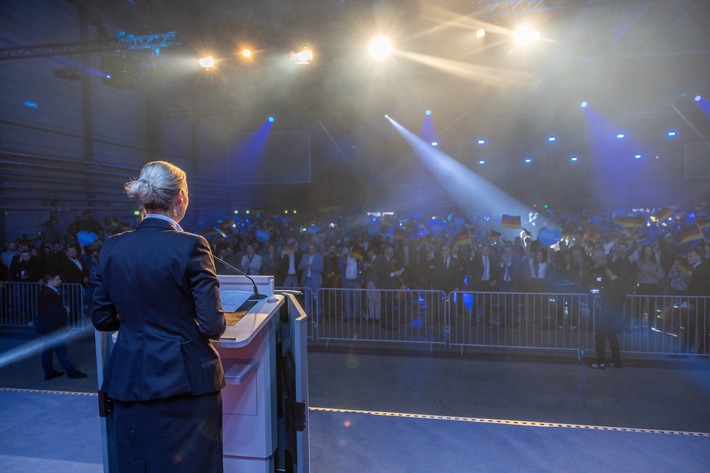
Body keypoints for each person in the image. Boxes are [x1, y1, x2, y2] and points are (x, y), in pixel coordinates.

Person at [91, 161, 226, 473]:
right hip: (185, 383)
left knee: (138, 465)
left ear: (142, 199)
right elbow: (212, 325)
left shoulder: (112, 247)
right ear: (180, 198)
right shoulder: (192, 245)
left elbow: (102, 318)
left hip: (129, 379)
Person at [36, 272, 87, 380]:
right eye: (58, 279)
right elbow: (52, 309)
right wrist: (65, 310)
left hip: (47, 327)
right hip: (52, 327)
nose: (60, 281)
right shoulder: (49, 293)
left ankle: (49, 372)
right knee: (60, 350)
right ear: (50, 281)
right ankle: (70, 371)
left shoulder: (46, 292)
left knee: (48, 351)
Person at [590, 266, 625, 369]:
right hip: (615, 313)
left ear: (610, 270)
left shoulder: (609, 285)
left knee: (600, 337)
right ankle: (616, 361)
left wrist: (598, 298)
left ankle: (600, 361)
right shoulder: (620, 284)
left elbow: (607, 301)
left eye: (607, 270)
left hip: (606, 314)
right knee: (612, 337)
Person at [685, 246, 710, 354]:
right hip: (699, 303)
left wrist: (691, 302)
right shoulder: (700, 269)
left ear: (698, 257)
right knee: (701, 327)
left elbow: (699, 289)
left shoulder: (702, 270)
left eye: (691, 256)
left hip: (698, 304)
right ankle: (702, 349)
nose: (688, 258)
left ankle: (686, 350)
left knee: (693, 327)